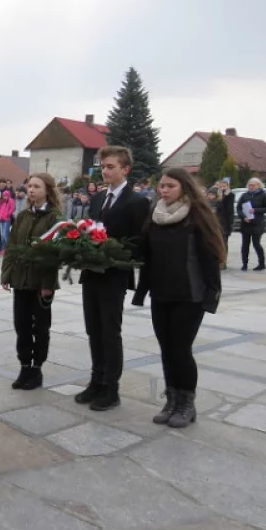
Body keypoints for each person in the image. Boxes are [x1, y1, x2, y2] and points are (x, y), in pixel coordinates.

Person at [133, 168, 223, 428]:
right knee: (166, 349)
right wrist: (141, 292)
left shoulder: (197, 217)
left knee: (180, 349)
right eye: (161, 186)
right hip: (161, 293)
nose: (164, 190)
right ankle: (172, 399)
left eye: (170, 186)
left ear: (184, 187)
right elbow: (147, 257)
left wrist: (212, 295)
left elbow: (211, 258)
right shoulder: (155, 215)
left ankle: (187, 403)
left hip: (190, 295)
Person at [77, 146, 151, 411]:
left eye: (110, 166)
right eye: (102, 166)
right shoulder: (97, 199)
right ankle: (96, 381)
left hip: (114, 275)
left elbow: (139, 244)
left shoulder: (137, 202)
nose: (104, 171)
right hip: (92, 273)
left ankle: (111, 388)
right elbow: (90, 229)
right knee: (92, 329)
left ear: (125, 169)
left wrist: (112, 250)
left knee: (109, 332)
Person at [1, 173, 62, 390]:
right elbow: (12, 246)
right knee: (22, 326)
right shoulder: (23, 216)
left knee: (41, 327)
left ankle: (37, 369)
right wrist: (6, 274)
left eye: (37, 186)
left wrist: (47, 284)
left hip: (40, 283)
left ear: (48, 190)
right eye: (30, 186)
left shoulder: (55, 217)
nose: (31, 190)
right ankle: (24, 366)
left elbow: (54, 254)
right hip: (21, 279)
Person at [237, 177, 266, 271]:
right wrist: (243, 217)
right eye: (249, 185)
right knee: (245, 245)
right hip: (246, 224)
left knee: (256, 244)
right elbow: (239, 208)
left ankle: (261, 263)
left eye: (253, 185)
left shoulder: (263, 195)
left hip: (257, 223)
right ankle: (244, 264)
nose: (251, 187)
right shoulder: (244, 195)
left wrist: (255, 210)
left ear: (258, 185)